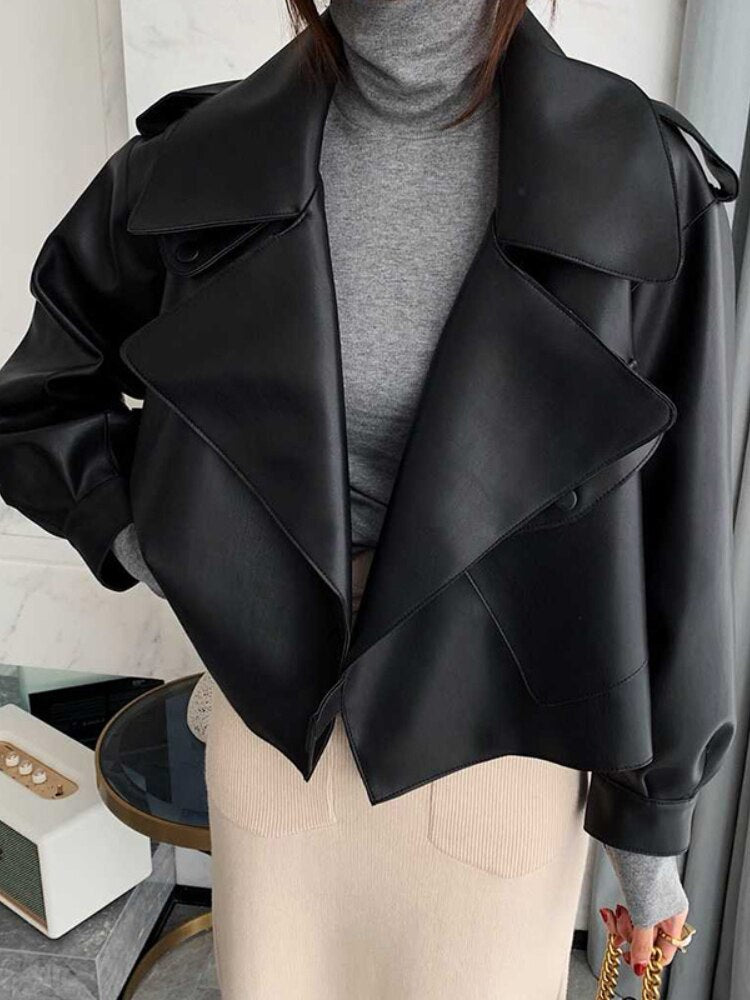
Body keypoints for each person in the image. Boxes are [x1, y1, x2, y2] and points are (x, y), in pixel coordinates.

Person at [0, 1, 738, 997]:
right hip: (276, 753)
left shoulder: (637, 173)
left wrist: (652, 830)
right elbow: (38, 398)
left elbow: (682, 531)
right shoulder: (196, 160)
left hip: (502, 759)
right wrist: (158, 542)